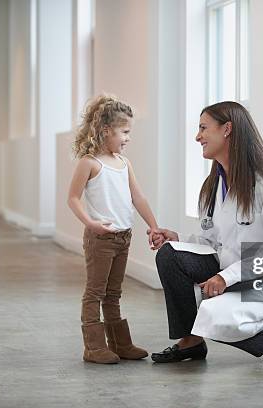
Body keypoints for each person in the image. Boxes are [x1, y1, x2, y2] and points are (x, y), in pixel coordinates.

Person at [148, 101, 263, 363]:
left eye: (204, 128)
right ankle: (190, 342)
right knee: (169, 255)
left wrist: (225, 277)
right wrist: (180, 240)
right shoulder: (213, 184)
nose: (198, 137)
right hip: (227, 270)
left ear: (227, 129)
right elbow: (211, 240)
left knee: (212, 318)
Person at [67, 94, 161, 364]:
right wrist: (91, 223)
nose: (128, 138)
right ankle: (93, 347)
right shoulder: (89, 163)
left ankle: (120, 343)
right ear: (107, 131)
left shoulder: (123, 163)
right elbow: (72, 198)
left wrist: (153, 226)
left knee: (114, 292)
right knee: (95, 292)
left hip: (124, 237)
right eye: (125, 131)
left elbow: (138, 197)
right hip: (101, 239)